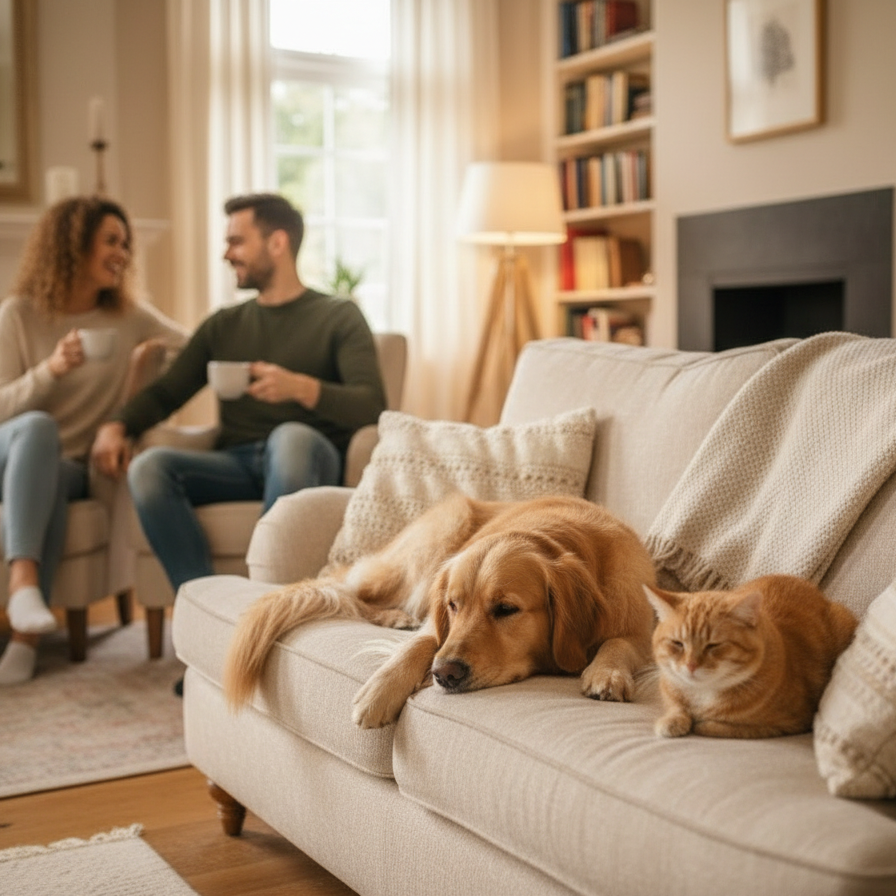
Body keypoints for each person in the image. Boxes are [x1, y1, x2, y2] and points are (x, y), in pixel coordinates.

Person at [91, 192, 387, 611]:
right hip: (236, 462)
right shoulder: (224, 325)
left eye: (236, 241)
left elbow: (372, 405)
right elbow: (167, 391)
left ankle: (269, 613)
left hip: (308, 457)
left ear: (277, 243)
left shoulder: (338, 316)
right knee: (150, 466)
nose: (226, 254)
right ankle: (213, 618)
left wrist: (299, 387)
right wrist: (116, 425)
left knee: (291, 437)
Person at [0, 196, 187, 684]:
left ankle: (25, 637)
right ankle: (22, 588)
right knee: (39, 429)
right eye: (111, 240)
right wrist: (51, 371)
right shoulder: (19, 314)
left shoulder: (129, 317)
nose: (122, 253)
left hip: (68, 471)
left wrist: (133, 401)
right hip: (8, 452)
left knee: (56, 480)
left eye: (126, 243)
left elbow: (195, 347)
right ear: (72, 245)